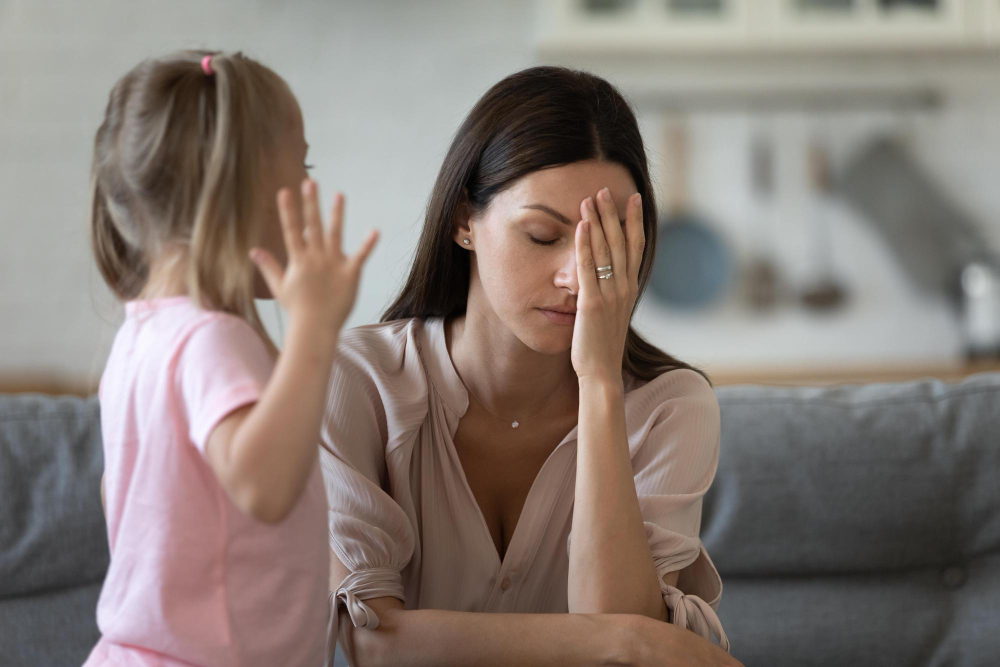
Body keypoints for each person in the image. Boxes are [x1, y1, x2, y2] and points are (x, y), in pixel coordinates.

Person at [321, 66, 740, 666]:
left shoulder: (671, 406)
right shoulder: (356, 381)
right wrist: (628, 637)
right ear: (465, 219)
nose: (576, 277)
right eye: (543, 236)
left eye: (607, 242)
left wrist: (599, 382)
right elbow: (372, 646)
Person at [86, 49, 378, 666]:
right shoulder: (212, 339)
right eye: (300, 167)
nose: (309, 189)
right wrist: (314, 328)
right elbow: (265, 486)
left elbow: (122, 494)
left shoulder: (140, 338)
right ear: (239, 186)